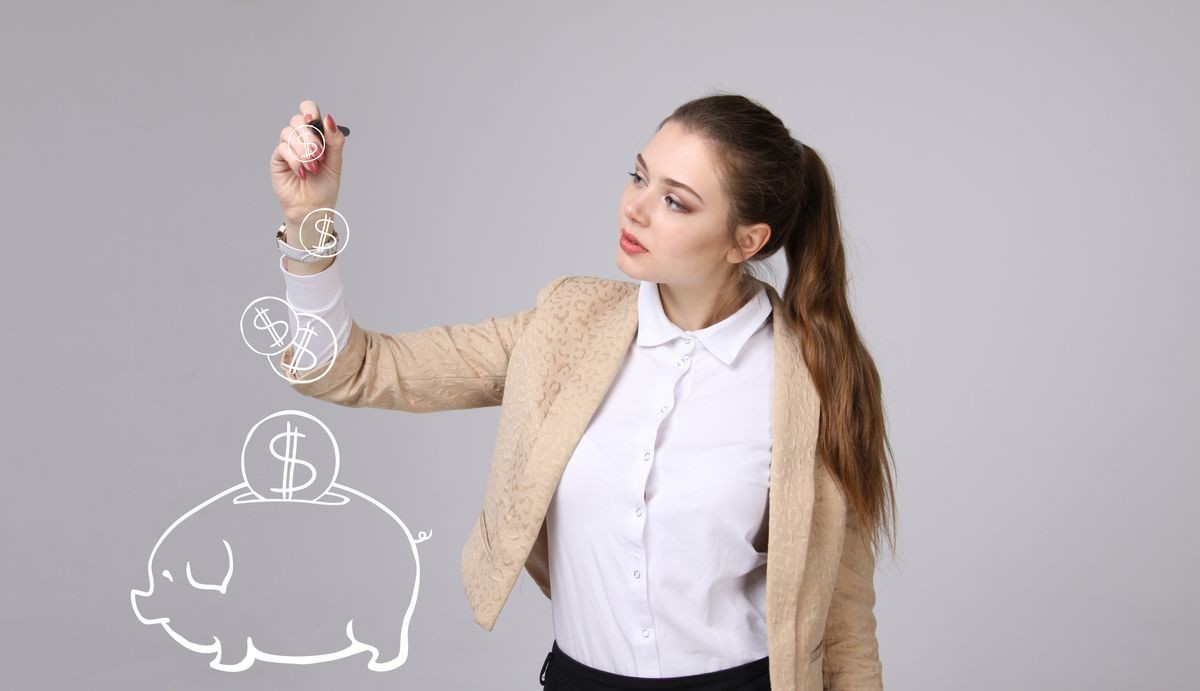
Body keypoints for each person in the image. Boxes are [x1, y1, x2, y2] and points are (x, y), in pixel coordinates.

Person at [269, 93, 895, 691]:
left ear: (746, 241)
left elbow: (842, 622)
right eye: (639, 176)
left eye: (676, 201)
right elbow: (348, 368)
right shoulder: (564, 325)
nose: (636, 208)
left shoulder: (813, 379)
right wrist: (309, 221)